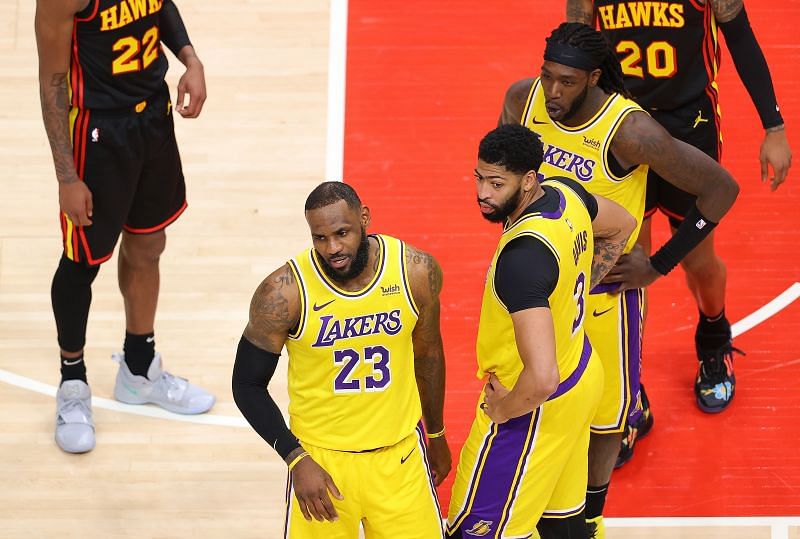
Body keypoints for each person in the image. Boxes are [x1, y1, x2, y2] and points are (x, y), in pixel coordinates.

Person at [499, 22, 739, 538]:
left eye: (566, 81)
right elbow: (504, 167)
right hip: (536, 294)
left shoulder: (631, 132)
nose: (553, 91)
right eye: (547, 77)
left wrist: (659, 263)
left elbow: (721, 188)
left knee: (607, 423)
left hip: (602, 301)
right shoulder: (524, 100)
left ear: (592, 78)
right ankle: (542, 504)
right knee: (529, 397)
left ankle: (591, 517)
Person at [566, 0, 793, 465]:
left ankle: (713, 337)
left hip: (688, 125)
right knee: (623, 268)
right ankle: (628, 396)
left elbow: (742, 37)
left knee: (697, 260)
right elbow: (574, 50)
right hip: (620, 125)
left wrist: (774, 127)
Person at [36, 0, 215, 454]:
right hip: (97, 132)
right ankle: (72, 383)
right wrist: (66, 177)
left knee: (150, 243)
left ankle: (138, 368)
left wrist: (190, 58)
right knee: (82, 262)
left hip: (153, 116)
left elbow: (160, 5)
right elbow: (53, 81)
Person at [446, 124, 637, 539]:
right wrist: (574, 284)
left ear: (529, 180)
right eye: (479, 178)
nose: (483, 192)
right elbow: (623, 223)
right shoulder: (566, 193)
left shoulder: (523, 260)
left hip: (532, 406)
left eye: (497, 183)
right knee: (563, 526)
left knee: (473, 533)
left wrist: (503, 410)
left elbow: (542, 377)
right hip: (582, 376)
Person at [232, 182, 452, 538]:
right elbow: (246, 385)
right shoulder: (284, 292)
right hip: (322, 465)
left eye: (342, 233)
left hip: (400, 459)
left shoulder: (414, 271)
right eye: (320, 238)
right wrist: (295, 458)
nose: (332, 248)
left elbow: (428, 353)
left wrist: (437, 434)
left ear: (364, 218)